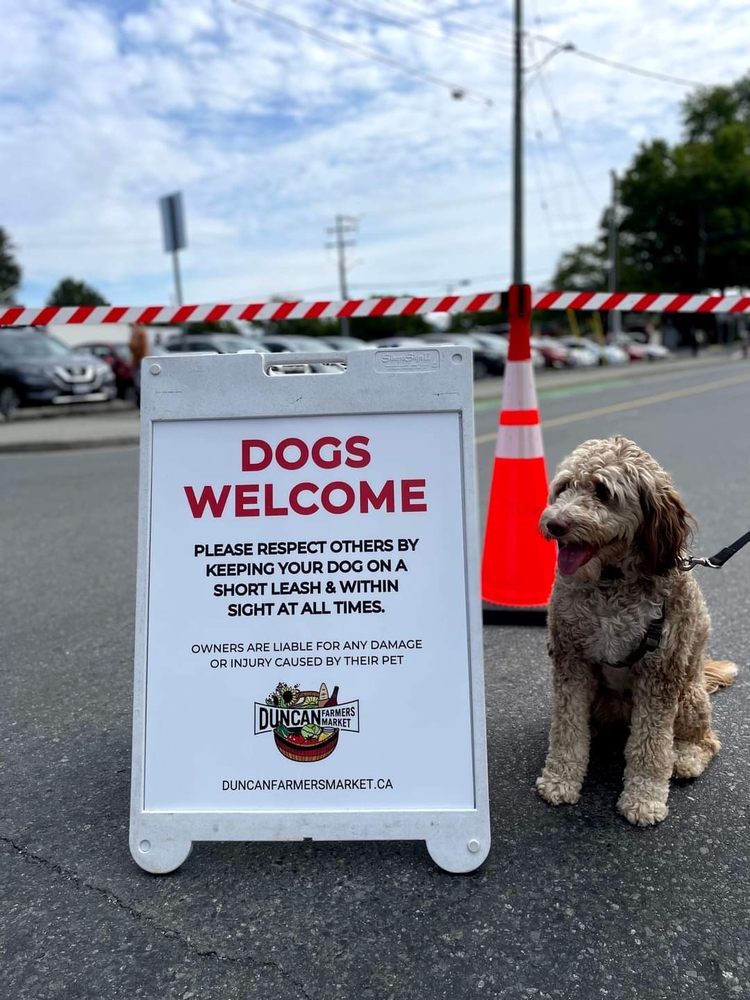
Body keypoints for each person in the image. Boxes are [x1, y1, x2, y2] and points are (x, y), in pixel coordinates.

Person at [128, 323, 150, 406]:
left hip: (140, 363)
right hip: (138, 363)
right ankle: (141, 405)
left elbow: (140, 348)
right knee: (138, 386)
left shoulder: (140, 334)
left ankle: (143, 405)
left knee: (140, 386)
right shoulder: (136, 334)